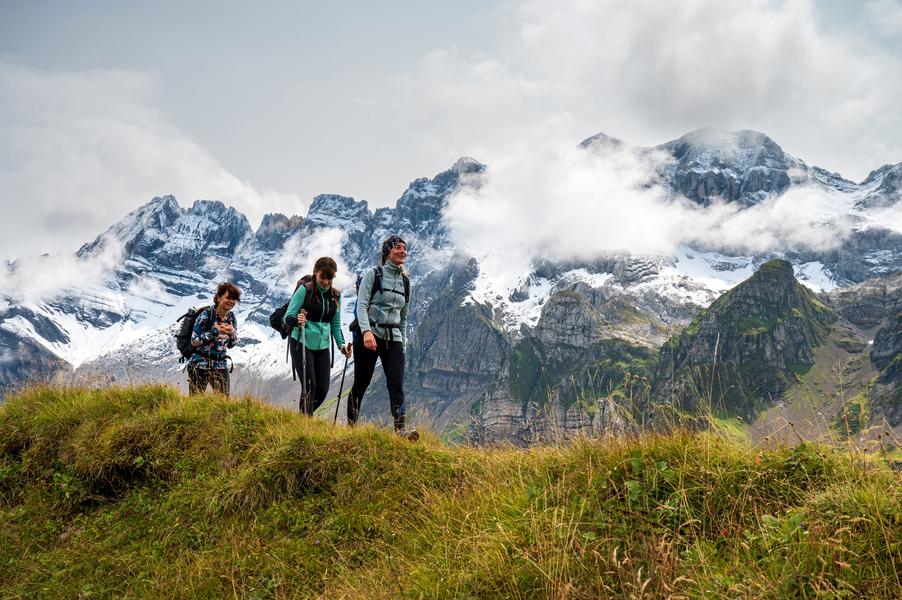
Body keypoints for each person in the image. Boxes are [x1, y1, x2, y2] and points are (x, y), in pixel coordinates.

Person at [348, 235, 414, 436]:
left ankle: (400, 430)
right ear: (387, 252)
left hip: (393, 337)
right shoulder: (374, 275)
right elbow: (361, 305)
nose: (403, 251)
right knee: (361, 382)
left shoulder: (405, 282)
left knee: (396, 384)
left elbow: (403, 317)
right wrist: (366, 331)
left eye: (405, 248)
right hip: (369, 334)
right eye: (398, 247)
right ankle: (351, 427)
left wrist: (402, 344)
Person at [285, 256, 352, 415]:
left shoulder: (335, 296)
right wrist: (297, 320)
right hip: (301, 342)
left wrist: (342, 345)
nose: (326, 282)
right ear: (315, 272)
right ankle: (306, 422)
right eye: (323, 277)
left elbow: (335, 324)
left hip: (323, 346)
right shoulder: (305, 290)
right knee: (310, 385)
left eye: (330, 278)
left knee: (322, 389)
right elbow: (288, 316)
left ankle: (302, 418)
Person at [188, 282, 240, 396]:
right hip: (200, 364)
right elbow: (194, 341)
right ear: (218, 297)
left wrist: (232, 332)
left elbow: (231, 345)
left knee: (223, 402)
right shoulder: (206, 315)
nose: (231, 301)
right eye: (228, 298)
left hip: (221, 365)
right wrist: (214, 332)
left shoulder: (231, 317)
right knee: (195, 401)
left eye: (234, 299)